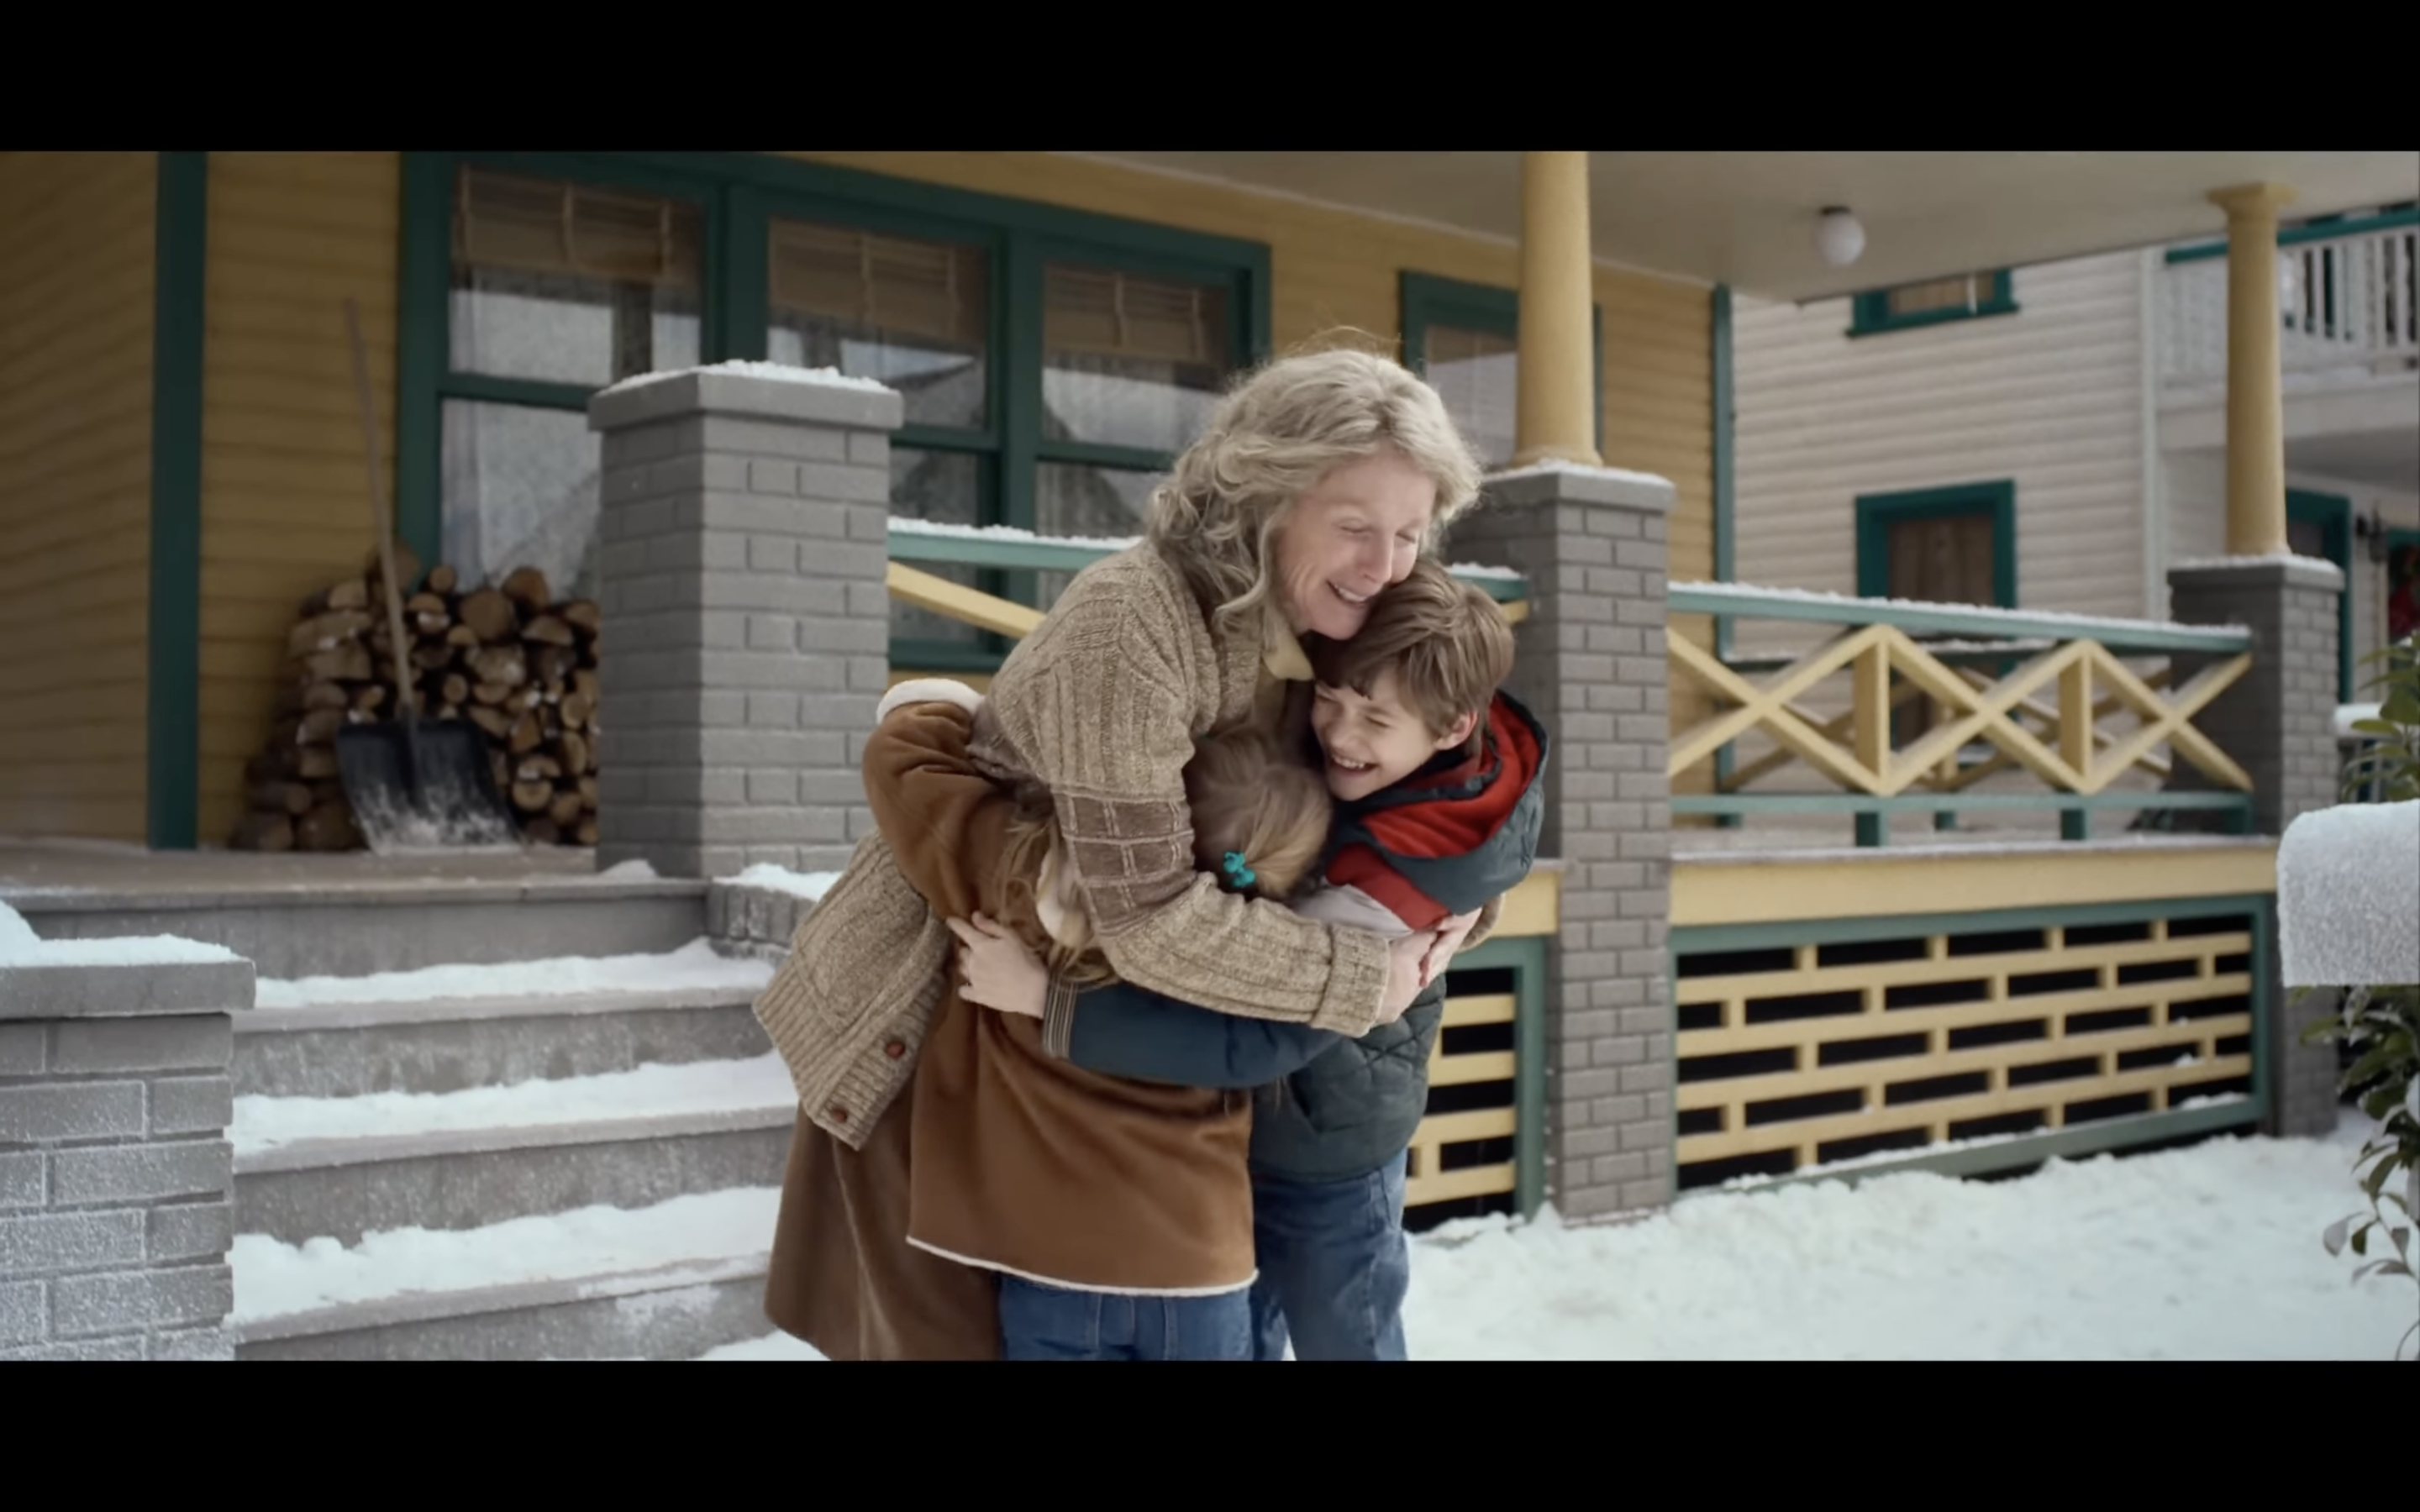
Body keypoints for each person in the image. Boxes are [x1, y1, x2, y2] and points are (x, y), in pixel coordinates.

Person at [754, 342, 1494, 1357]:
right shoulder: (1137, 624)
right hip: (968, 1025)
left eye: (1410, 533)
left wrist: (1455, 894)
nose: (1388, 565)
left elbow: (1461, 751)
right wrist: (1363, 972)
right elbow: (1145, 915)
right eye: (1356, 526)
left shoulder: (1341, 614)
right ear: (1265, 497)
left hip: (1159, 1077)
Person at [954, 559, 1547, 1361]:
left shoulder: (1385, 893)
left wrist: (1050, 1001)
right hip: (1248, 1136)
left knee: (1349, 1340)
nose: (1341, 734)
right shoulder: (1409, 755)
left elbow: (1258, 1036)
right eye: (1331, 699)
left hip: (1327, 1155)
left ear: (1451, 729)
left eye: (1375, 719)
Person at [856, 684, 1338, 1357]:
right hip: (1201, 1263)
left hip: (1054, 1259)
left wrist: (961, 709)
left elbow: (899, 760)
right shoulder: (1274, 955)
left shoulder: (1014, 866)